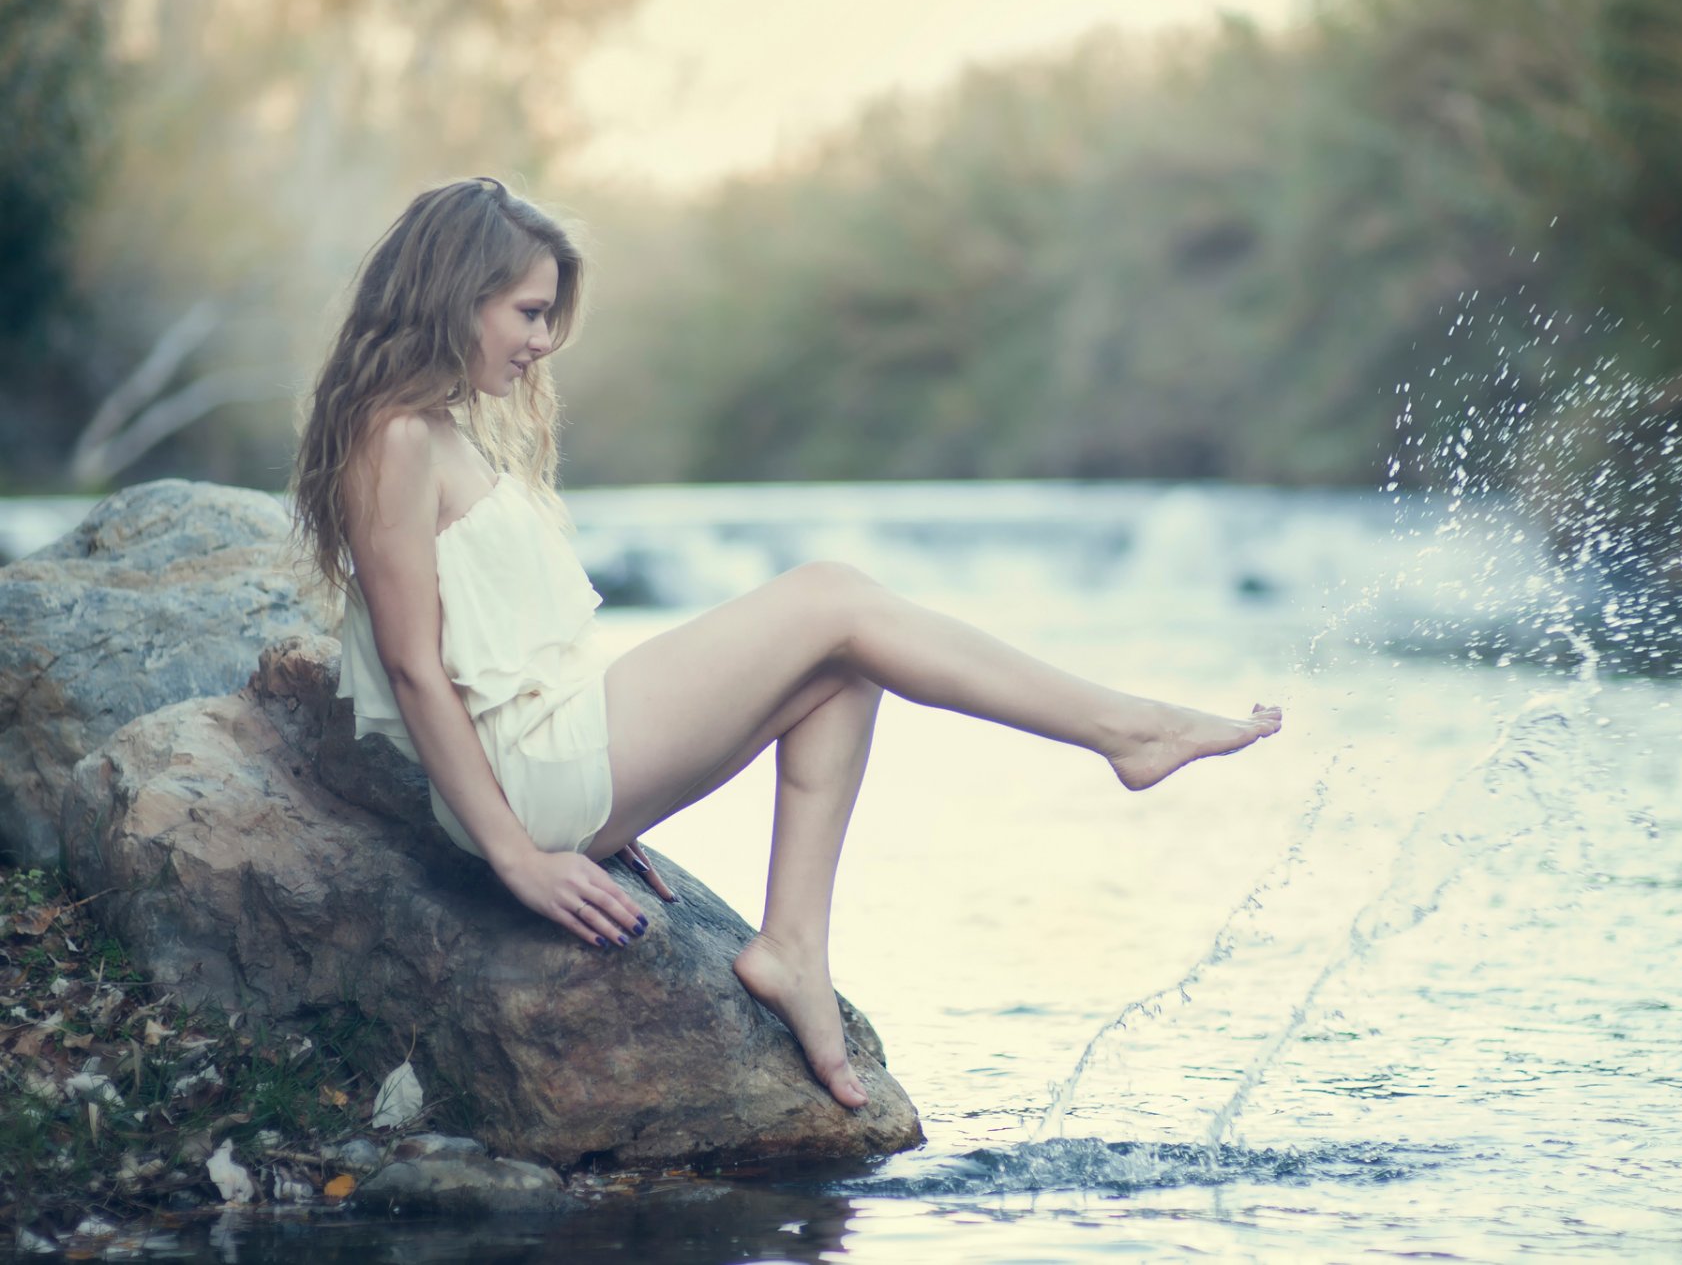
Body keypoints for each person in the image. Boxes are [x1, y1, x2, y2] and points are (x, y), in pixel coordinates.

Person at [290, 177, 1283, 1111]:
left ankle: (795, 947)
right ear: (456, 297)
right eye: (528, 312)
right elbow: (417, 665)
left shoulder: (433, 427)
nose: (543, 341)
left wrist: (619, 786)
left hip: (553, 756)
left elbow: (477, 651)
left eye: (549, 316)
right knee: (834, 600)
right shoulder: (397, 438)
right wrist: (518, 854)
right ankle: (1123, 728)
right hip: (532, 781)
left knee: (845, 661)